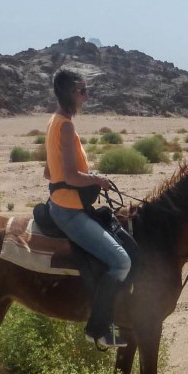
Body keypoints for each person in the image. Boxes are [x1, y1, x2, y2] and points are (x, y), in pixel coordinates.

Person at [45, 68, 131, 348]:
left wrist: (82, 177)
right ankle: (99, 329)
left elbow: (48, 172)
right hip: (69, 212)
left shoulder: (55, 121)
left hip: (62, 203)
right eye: (82, 91)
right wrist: (96, 180)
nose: (86, 96)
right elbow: (70, 177)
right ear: (70, 93)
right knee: (121, 261)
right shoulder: (66, 126)